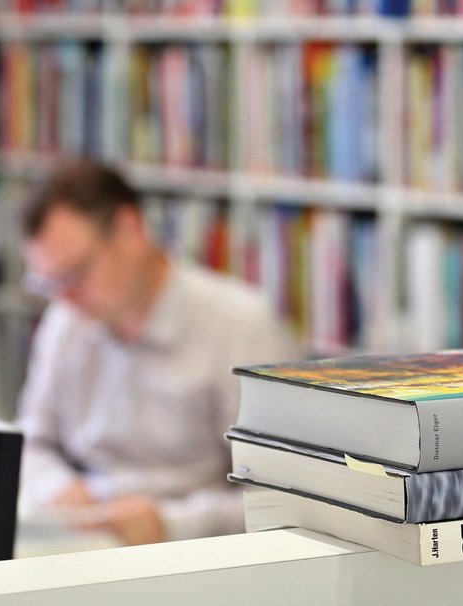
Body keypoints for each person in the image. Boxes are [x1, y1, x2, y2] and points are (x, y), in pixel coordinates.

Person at [16, 160, 299, 546]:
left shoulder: (240, 328)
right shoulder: (67, 320)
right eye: (47, 283)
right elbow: (31, 441)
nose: (64, 297)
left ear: (129, 230)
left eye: (75, 274)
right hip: (83, 535)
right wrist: (55, 486)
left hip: (198, 550)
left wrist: (172, 524)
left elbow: (286, 496)